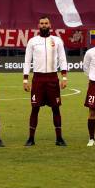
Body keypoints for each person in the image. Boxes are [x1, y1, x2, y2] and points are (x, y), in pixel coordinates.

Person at [23, 16, 68, 146]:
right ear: (38, 25)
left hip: (53, 78)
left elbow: (62, 59)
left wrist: (64, 77)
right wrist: (25, 80)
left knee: (56, 108)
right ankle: (31, 139)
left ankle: (59, 138)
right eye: (42, 23)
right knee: (35, 108)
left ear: (50, 25)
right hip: (38, 78)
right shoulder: (32, 41)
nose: (44, 25)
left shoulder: (57, 40)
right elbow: (27, 61)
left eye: (46, 23)